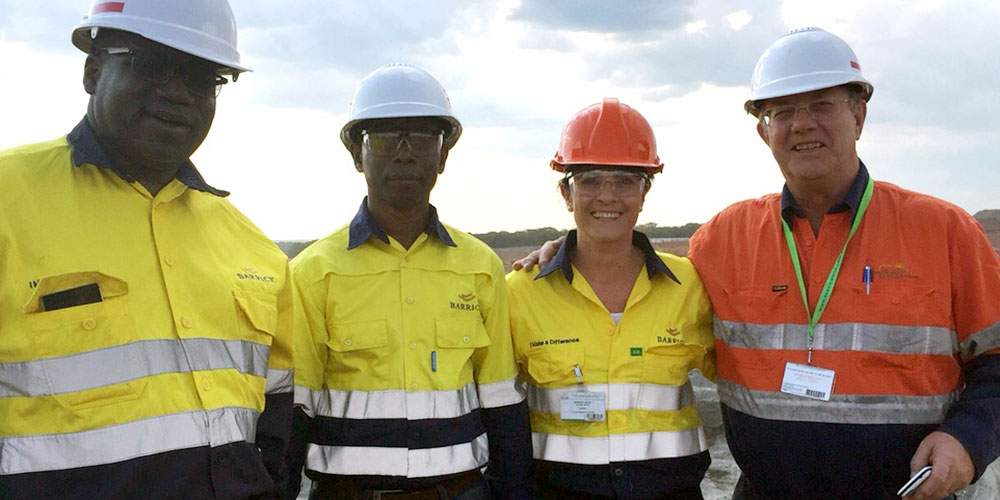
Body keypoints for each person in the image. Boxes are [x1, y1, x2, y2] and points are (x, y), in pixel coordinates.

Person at [516, 28, 1000, 500]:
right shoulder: (724, 239)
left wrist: (969, 439)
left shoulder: (945, 231)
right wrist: (574, 249)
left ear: (859, 115)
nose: (802, 124)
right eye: (782, 111)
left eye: (822, 105)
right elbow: (628, 268)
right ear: (762, 130)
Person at [0, 0, 296, 498]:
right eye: (151, 65)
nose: (178, 94)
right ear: (93, 72)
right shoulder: (9, 200)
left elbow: (278, 420)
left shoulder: (253, 249)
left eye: (204, 78)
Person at [286, 64, 531, 500]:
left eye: (421, 139)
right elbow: (294, 409)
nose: (404, 154)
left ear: (443, 155)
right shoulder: (313, 271)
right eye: (382, 139)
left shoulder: (479, 266)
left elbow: (502, 403)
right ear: (356, 155)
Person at [507, 98, 715, 500]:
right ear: (567, 194)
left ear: (644, 193)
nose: (607, 196)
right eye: (589, 180)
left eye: (624, 180)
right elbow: (496, 411)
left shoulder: (689, 284)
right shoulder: (520, 293)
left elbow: (739, 374)